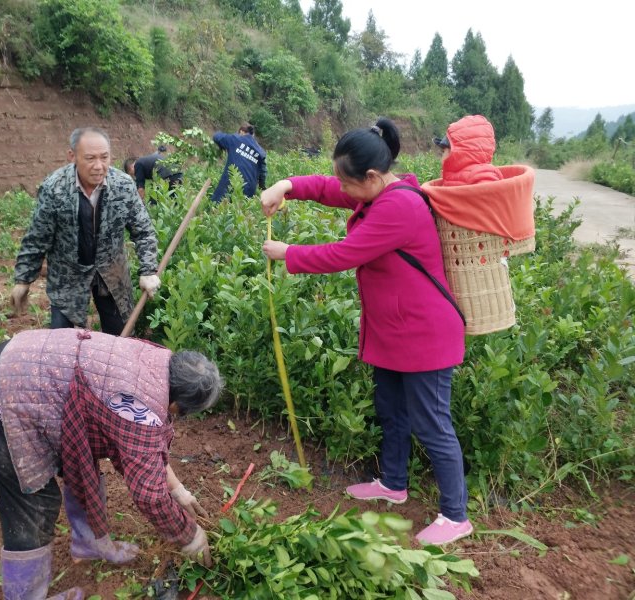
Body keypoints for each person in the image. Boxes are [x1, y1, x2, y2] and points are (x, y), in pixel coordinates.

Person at [260, 118, 472, 546]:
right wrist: (286, 184)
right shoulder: (377, 192)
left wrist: (288, 254)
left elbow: (344, 253)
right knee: (392, 412)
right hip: (395, 331)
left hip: (424, 336)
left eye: (348, 181)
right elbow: (328, 187)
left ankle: (456, 515)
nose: (341, 188)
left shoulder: (400, 207)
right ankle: (393, 484)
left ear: (372, 177)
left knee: (432, 424)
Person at [0, 328, 222, 600]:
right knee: (35, 501)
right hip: (0, 391)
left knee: (80, 465)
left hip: (29, 366)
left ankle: (88, 543)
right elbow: (150, 496)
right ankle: (26, 597)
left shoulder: (158, 361)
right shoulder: (141, 405)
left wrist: (178, 489)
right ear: (178, 406)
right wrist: (189, 536)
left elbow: (143, 449)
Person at [11, 127, 161, 335]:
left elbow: (143, 230)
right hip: (67, 277)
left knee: (119, 338)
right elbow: (37, 237)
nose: (99, 166)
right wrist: (23, 279)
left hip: (112, 274)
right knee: (61, 342)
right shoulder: (54, 188)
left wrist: (148, 270)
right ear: (72, 156)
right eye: (90, 158)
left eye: (104, 157)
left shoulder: (124, 186)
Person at [433, 114, 503, 186]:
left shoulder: (481, 175)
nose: (441, 158)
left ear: (455, 153)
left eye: (443, 152)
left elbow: (489, 193)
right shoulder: (454, 175)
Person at [210, 122, 267, 203]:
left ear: (241, 132)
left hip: (230, 183)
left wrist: (234, 136)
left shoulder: (235, 139)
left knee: (217, 207)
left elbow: (217, 136)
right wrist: (262, 187)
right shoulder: (261, 151)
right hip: (249, 189)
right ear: (252, 135)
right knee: (240, 212)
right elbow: (263, 173)